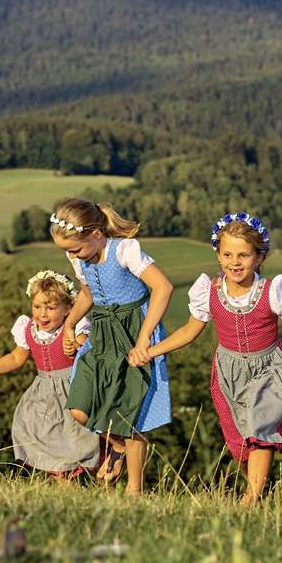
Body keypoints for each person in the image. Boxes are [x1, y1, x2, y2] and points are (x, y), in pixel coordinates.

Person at [135, 212, 282, 505]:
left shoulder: (271, 292)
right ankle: (256, 489)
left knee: (259, 428)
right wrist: (151, 351)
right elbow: (190, 331)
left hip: (270, 370)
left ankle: (250, 499)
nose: (234, 262)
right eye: (227, 254)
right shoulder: (209, 292)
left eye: (244, 255)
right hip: (229, 373)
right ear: (218, 255)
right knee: (240, 444)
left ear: (259, 257)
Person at [48, 198, 173, 495]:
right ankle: (116, 446)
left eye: (74, 249)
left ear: (95, 234)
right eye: (66, 251)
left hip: (133, 331)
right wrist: (69, 324)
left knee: (131, 412)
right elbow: (88, 293)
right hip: (102, 333)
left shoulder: (124, 251)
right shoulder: (80, 257)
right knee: (79, 407)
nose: (72, 255)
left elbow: (163, 288)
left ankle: (134, 488)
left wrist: (144, 338)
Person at [0, 270, 104, 478]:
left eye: (50, 308)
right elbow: (16, 358)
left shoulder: (75, 327)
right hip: (44, 393)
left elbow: (89, 348)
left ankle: (101, 472)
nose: (42, 314)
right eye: (37, 307)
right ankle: (62, 485)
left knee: (74, 438)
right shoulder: (27, 329)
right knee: (37, 431)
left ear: (68, 309)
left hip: (73, 388)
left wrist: (76, 345)